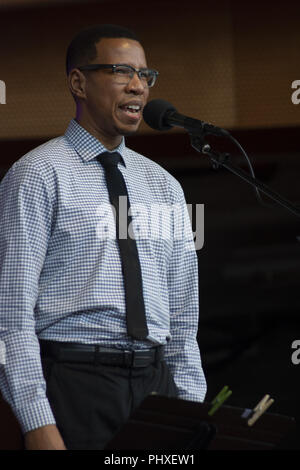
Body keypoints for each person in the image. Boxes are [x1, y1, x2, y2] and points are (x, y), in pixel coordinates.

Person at [0, 24, 207, 450]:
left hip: (156, 387)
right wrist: (36, 421)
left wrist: (192, 411)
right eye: (121, 72)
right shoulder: (36, 174)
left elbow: (184, 317)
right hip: (76, 382)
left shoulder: (165, 186)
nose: (138, 86)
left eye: (145, 76)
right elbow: (10, 310)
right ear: (78, 82)